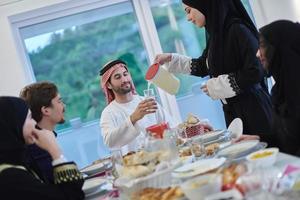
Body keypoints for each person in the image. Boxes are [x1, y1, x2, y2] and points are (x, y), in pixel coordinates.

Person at [154, 0, 274, 146]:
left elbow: (257, 70)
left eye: (189, 10)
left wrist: (219, 85)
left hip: (255, 111)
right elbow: (204, 66)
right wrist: (171, 58)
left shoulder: (237, 29)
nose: (188, 18)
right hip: (233, 112)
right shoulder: (216, 35)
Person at [0, 96, 84, 199]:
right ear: (14, 123)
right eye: (29, 117)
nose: (34, 123)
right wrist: (55, 152)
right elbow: (73, 196)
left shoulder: (16, 163)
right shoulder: (11, 177)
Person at [99, 59, 178, 154]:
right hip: (134, 166)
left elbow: (171, 127)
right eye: (117, 77)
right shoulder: (108, 113)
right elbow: (109, 142)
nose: (124, 80)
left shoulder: (146, 102)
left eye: (125, 74)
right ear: (108, 85)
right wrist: (133, 118)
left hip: (163, 157)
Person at [256, 20, 300, 156]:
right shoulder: (280, 91)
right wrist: (259, 140)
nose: (258, 54)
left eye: (263, 46)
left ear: (281, 49)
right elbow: (286, 141)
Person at [20, 82, 65, 183]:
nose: (63, 106)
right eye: (59, 101)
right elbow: (60, 186)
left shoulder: (44, 138)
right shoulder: (37, 147)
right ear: (46, 110)